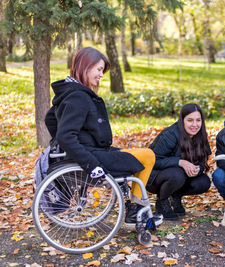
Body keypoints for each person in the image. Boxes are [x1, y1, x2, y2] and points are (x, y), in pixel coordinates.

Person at [45, 47, 162, 226]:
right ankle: (135, 210)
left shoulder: (70, 92)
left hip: (93, 151)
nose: (101, 75)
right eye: (99, 69)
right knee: (148, 156)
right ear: (86, 67)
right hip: (91, 158)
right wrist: (90, 163)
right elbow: (65, 135)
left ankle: (135, 207)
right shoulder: (78, 97)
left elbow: (50, 119)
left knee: (140, 153)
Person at [147, 103, 211, 221]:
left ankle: (176, 195)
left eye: (198, 120)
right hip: (154, 178)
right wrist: (180, 162)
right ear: (182, 121)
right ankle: (162, 201)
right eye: (190, 120)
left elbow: (203, 161)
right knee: (177, 174)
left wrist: (198, 169)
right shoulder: (170, 134)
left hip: (178, 176)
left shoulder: (200, 135)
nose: (195, 125)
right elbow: (153, 161)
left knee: (203, 181)